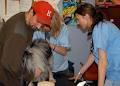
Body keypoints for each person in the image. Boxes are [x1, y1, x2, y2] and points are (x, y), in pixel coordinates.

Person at [0, 1, 55, 86]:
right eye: (38, 20)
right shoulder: (18, 34)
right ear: (31, 12)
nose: (39, 26)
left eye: (43, 23)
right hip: (7, 80)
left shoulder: (26, 21)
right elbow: (10, 65)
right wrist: (32, 74)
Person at [72, 3, 120, 86]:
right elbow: (94, 54)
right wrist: (80, 73)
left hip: (116, 74)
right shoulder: (100, 26)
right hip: (114, 73)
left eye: (78, 19)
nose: (78, 23)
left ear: (86, 16)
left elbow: (102, 61)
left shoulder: (99, 29)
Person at [32, 3, 75, 86]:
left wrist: (49, 45)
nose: (43, 28)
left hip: (61, 71)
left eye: (47, 26)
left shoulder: (63, 29)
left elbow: (64, 51)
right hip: (44, 72)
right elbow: (35, 52)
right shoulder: (38, 30)